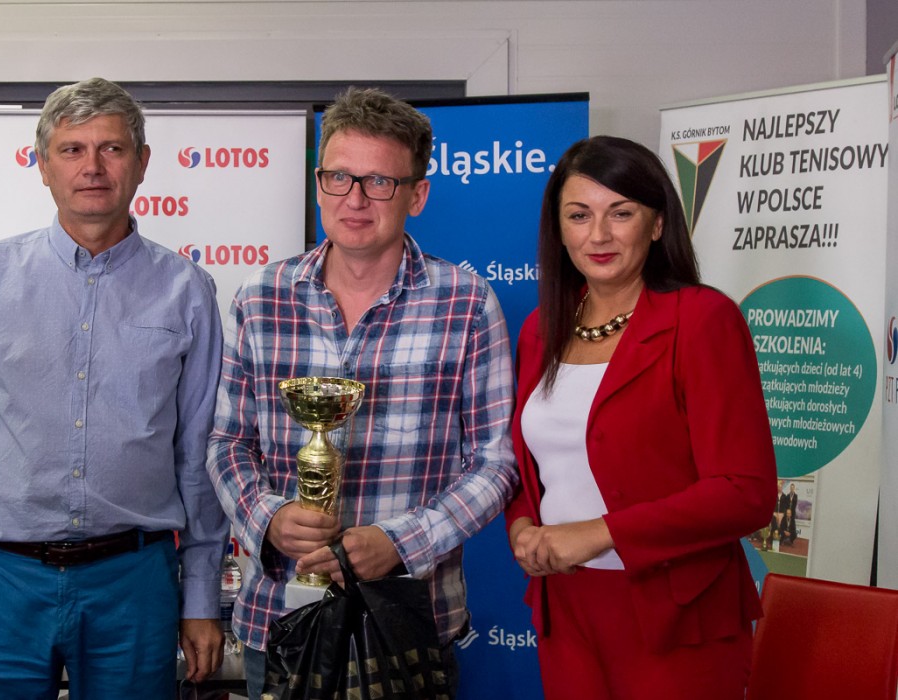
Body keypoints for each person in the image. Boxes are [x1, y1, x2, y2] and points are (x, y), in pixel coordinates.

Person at [0, 77, 228, 698]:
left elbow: (199, 454)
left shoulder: (187, 290)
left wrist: (202, 594)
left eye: (112, 149)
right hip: (2, 585)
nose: (92, 167)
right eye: (72, 149)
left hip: (136, 583)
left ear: (142, 162)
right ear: (43, 166)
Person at [206, 86, 518, 699]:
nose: (354, 199)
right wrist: (269, 518)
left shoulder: (466, 303)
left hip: (406, 625)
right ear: (319, 183)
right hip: (280, 621)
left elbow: (496, 463)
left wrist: (400, 543)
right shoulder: (260, 297)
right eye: (339, 178)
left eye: (379, 182)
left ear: (417, 195)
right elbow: (227, 442)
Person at [504, 135, 777, 700]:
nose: (598, 235)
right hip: (566, 607)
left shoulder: (703, 319)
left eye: (621, 213)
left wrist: (598, 533)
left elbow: (746, 492)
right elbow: (531, 465)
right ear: (559, 228)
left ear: (657, 224)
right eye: (579, 215)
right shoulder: (540, 329)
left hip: (678, 615)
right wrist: (523, 525)